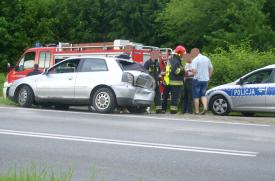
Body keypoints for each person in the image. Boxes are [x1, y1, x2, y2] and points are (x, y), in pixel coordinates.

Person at [191, 48, 213, 115]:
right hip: (205, 80)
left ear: (195, 53)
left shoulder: (195, 60)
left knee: (196, 96)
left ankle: (197, 111)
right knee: (203, 95)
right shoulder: (207, 58)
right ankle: (205, 107)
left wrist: (193, 73)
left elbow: (194, 70)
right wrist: (209, 77)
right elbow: (211, 68)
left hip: (197, 79)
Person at [168, 45, 186, 114]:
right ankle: (173, 111)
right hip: (175, 83)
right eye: (182, 54)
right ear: (179, 53)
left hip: (177, 82)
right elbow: (176, 71)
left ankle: (174, 110)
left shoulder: (176, 59)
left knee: (176, 97)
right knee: (175, 97)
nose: (183, 55)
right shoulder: (175, 60)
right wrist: (184, 71)